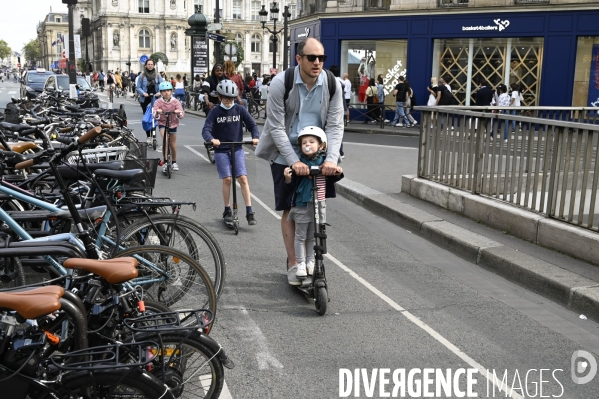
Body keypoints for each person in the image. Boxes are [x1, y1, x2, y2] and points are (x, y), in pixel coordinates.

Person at [254, 37, 344, 286]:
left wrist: (332, 160)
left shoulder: (332, 84)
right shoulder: (281, 83)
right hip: (285, 151)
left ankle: (312, 259)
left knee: (316, 205)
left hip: (319, 151)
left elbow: (336, 126)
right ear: (299, 59)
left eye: (321, 58)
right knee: (291, 208)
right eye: (312, 58)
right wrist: (293, 161)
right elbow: (276, 128)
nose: (317, 63)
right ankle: (294, 262)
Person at [283, 126, 343, 277]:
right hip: (302, 205)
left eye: (311, 142)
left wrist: (338, 171)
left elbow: (334, 176)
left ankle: (311, 262)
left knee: (313, 236)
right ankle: (301, 264)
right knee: (300, 235)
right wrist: (288, 177)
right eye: (304, 143)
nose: (307, 145)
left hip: (318, 204)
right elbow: (290, 185)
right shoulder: (299, 164)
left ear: (321, 145)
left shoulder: (325, 163)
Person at [202, 79, 260, 226]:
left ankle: (249, 210)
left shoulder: (240, 109)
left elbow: (252, 125)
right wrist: (212, 139)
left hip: (237, 149)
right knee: (227, 179)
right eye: (226, 98)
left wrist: (255, 137)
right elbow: (206, 129)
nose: (228, 101)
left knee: (243, 178)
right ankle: (227, 209)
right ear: (220, 97)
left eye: (231, 98)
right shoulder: (215, 112)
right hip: (221, 150)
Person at [152, 81, 184, 172]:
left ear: (171, 91)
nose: (166, 92)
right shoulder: (158, 102)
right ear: (161, 92)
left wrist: (178, 113)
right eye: (164, 91)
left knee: (172, 144)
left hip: (173, 123)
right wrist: (157, 112)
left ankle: (174, 162)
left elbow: (181, 113)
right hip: (162, 123)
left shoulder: (175, 101)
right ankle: (165, 162)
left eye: (168, 90)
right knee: (165, 140)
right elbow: (154, 114)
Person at [137, 59, 163, 143]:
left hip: (155, 98)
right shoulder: (142, 75)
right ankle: (148, 136)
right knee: (146, 118)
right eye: (148, 64)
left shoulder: (157, 75)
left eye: (152, 64)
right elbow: (138, 87)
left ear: (154, 65)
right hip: (145, 99)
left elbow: (162, 86)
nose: (150, 65)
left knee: (154, 117)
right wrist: (143, 93)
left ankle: (153, 135)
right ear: (146, 65)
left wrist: (159, 93)